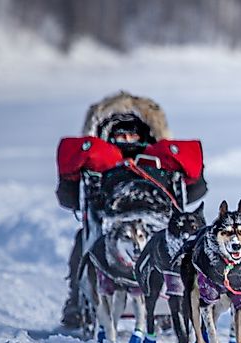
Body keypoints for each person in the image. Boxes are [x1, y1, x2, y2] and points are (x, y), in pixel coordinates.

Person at [58, 91, 207, 328]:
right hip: (131, 222)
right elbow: (196, 191)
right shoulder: (157, 165)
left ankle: (77, 300)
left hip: (132, 221)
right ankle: (78, 298)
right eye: (122, 136)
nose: (127, 140)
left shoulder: (114, 163)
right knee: (84, 241)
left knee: (83, 242)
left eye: (131, 135)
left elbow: (68, 198)